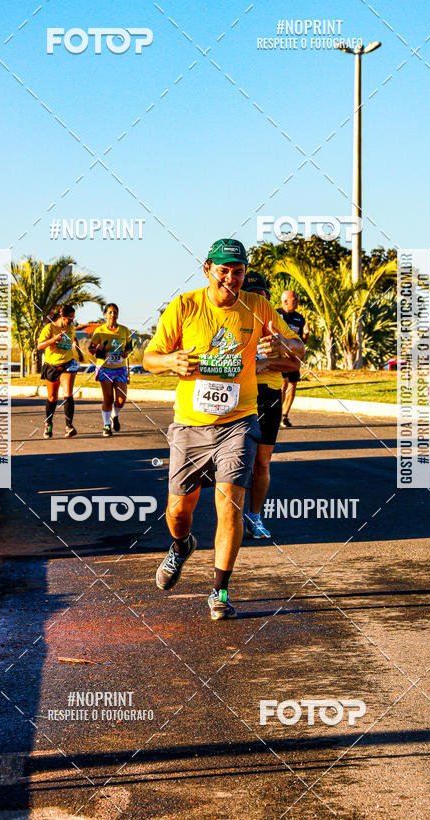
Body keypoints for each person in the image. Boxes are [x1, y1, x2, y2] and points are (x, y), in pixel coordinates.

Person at [143, 238, 304, 619]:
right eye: (225, 270)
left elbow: (297, 351)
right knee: (179, 510)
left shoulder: (259, 306)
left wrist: (281, 342)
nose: (231, 278)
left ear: (245, 273)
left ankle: (220, 591)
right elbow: (148, 358)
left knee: (229, 500)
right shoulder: (185, 306)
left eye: (239, 270)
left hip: (239, 421)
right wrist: (170, 363)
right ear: (208, 269)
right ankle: (181, 546)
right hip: (190, 425)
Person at [242, 272, 302, 539]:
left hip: (267, 395)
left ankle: (254, 517)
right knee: (231, 463)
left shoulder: (274, 323)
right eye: (252, 293)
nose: (258, 298)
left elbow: (295, 362)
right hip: (238, 395)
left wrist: (268, 362)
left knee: (261, 464)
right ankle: (230, 517)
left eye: (262, 293)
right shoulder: (232, 320)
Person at [37, 304, 84, 439]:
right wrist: (54, 339)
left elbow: (73, 338)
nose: (71, 321)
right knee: (52, 397)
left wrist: (78, 350)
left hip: (67, 364)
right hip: (51, 366)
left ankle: (69, 426)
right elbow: (40, 345)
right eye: (69, 319)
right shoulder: (50, 328)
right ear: (62, 317)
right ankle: (48, 423)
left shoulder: (70, 328)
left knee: (68, 394)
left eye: (73, 318)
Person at [88, 303, 132, 437]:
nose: (113, 315)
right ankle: (106, 425)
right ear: (105, 315)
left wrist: (126, 353)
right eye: (110, 312)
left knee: (121, 399)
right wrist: (98, 349)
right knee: (108, 399)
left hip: (120, 368)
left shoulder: (124, 330)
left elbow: (129, 347)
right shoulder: (100, 331)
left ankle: (114, 415)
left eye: (115, 312)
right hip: (105, 368)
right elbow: (91, 350)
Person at [277, 290, 309, 428]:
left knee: (292, 385)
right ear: (285, 301)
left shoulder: (300, 318)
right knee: (283, 384)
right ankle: (276, 414)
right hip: (279, 357)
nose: (297, 302)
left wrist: (306, 333)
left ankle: (284, 416)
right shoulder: (275, 313)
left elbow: (303, 341)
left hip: (294, 358)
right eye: (294, 300)